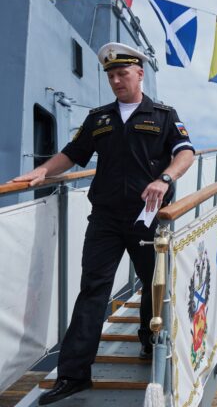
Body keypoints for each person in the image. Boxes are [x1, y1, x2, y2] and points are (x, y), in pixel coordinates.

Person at [12, 42, 195, 405]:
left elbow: (185, 153)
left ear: (139, 74)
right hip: (106, 219)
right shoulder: (99, 118)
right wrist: (42, 171)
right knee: (93, 289)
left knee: (154, 287)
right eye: (111, 75)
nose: (116, 80)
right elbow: (72, 154)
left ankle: (149, 338)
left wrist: (166, 179)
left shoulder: (162, 114)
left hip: (148, 217)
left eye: (122, 74)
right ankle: (73, 375)